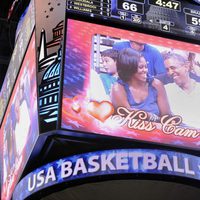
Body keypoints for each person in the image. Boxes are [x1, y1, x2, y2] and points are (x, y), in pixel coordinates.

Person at [111, 48, 170, 120]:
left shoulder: (156, 84)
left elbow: (167, 118)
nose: (145, 70)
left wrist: (148, 116)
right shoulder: (118, 88)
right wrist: (148, 116)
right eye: (141, 67)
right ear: (129, 69)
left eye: (146, 66)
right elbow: (127, 116)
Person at [163, 52, 200, 128]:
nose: (170, 72)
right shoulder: (166, 90)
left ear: (186, 66)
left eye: (173, 68)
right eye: (167, 70)